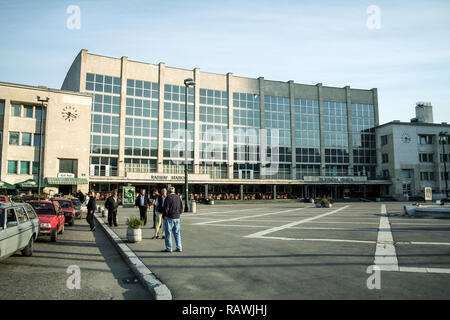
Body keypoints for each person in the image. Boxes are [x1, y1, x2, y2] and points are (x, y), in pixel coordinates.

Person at [162, 186, 183, 253]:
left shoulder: (168, 198)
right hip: (177, 217)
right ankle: (179, 247)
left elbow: (166, 209)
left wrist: (164, 215)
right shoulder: (178, 197)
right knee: (177, 233)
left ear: (168, 191)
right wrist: (178, 213)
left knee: (168, 233)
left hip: (169, 217)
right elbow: (181, 207)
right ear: (174, 191)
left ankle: (169, 248)